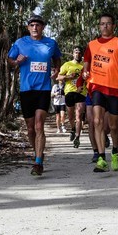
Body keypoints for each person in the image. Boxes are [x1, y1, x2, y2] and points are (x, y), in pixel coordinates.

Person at [7, 14, 61, 177]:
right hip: (26, 90)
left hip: (43, 90)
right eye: (32, 25)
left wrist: (57, 69)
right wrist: (17, 62)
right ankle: (38, 152)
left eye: (38, 25)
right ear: (28, 28)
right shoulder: (20, 43)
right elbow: (9, 59)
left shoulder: (50, 43)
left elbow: (57, 58)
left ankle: (38, 162)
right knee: (30, 129)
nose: (35, 28)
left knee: (39, 125)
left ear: (43, 27)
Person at [82, 13, 118, 173]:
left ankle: (115, 151)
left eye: (108, 23)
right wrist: (85, 73)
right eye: (102, 23)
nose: (105, 26)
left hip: (114, 88)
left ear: (113, 26)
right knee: (97, 121)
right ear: (99, 26)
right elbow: (86, 63)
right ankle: (100, 157)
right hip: (96, 86)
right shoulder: (91, 45)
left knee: (113, 125)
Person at [58, 46, 86, 147]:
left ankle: (77, 137)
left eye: (79, 52)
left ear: (81, 54)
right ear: (73, 54)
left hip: (81, 93)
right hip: (69, 92)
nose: (77, 54)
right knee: (70, 116)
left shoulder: (85, 65)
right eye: (75, 52)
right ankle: (73, 129)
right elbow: (59, 77)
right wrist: (68, 76)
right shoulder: (67, 64)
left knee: (79, 116)